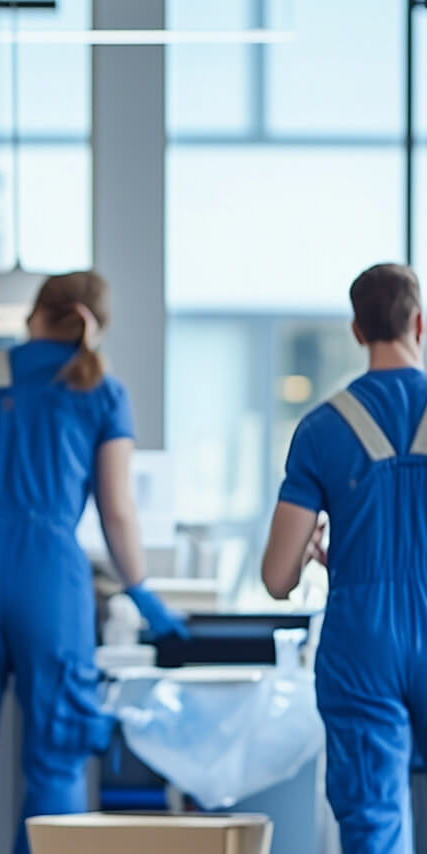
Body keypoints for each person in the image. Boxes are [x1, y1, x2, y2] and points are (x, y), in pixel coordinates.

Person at [0, 271, 187, 854]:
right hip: (51, 578)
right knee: (58, 760)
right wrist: (143, 595)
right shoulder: (103, 390)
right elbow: (117, 511)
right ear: (94, 325)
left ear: (34, 315)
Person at [262, 263, 427, 854]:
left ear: (357, 332)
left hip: (362, 648)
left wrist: (323, 554)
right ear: (419, 323)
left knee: (374, 829)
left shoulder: (321, 430)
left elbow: (277, 578)